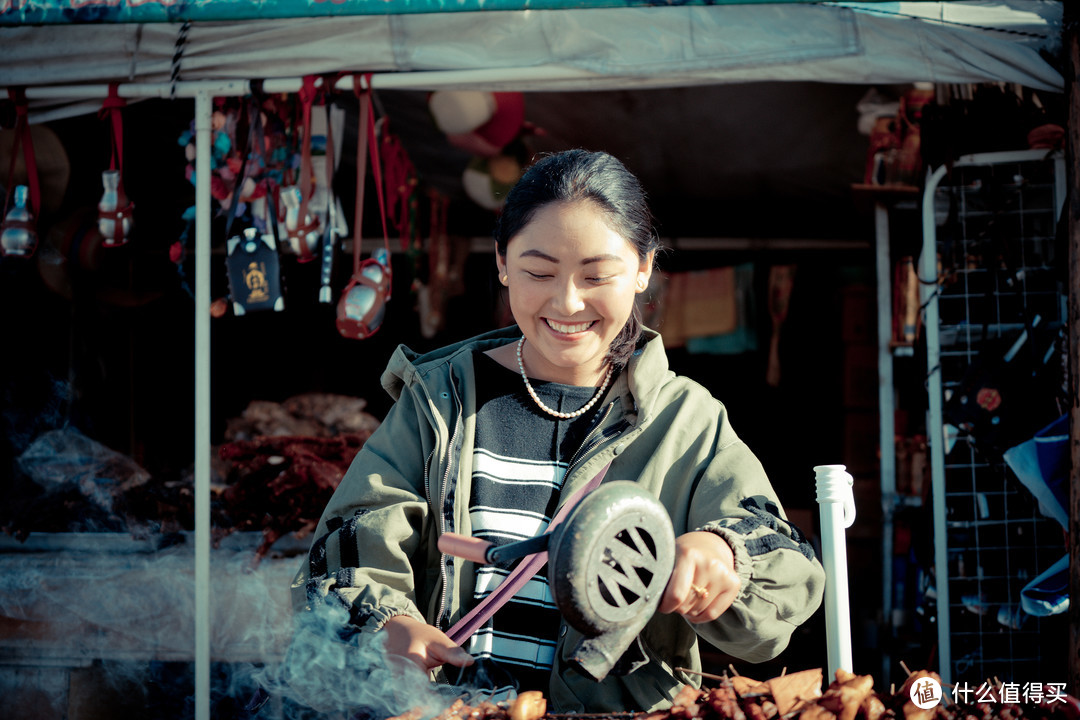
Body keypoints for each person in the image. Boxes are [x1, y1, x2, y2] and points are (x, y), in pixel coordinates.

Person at [291, 149, 825, 712]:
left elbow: (777, 583)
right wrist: (388, 623)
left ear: (644, 268)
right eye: (539, 273)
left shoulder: (685, 420)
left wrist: (725, 556)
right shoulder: (439, 400)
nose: (567, 302)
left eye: (596, 275)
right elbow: (348, 545)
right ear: (501, 263)